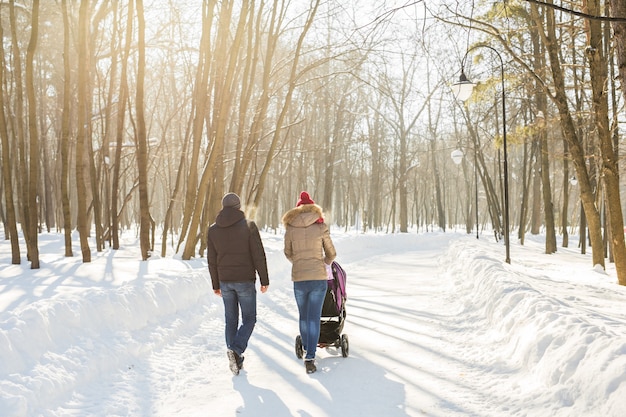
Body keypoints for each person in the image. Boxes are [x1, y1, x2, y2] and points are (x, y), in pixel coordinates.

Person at [208, 192, 269, 376]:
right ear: (238, 206)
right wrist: (264, 279)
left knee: (231, 320)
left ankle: (235, 356)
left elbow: (212, 259)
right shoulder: (248, 226)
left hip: (225, 281)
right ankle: (236, 350)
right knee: (250, 318)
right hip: (245, 280)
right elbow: (258, 254)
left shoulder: (213, 229)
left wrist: (215, 284)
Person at [282, 191, 336, 374]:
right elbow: (332, 253)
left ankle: (307, 348)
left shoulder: (290, 227)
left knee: (303, 316)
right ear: (313, 208)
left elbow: (288, 253)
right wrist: (324, 263)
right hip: (318, 278)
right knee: (314, 317)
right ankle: (310, 357)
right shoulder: (320, 226)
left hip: (299, 278)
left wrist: (298, 262)